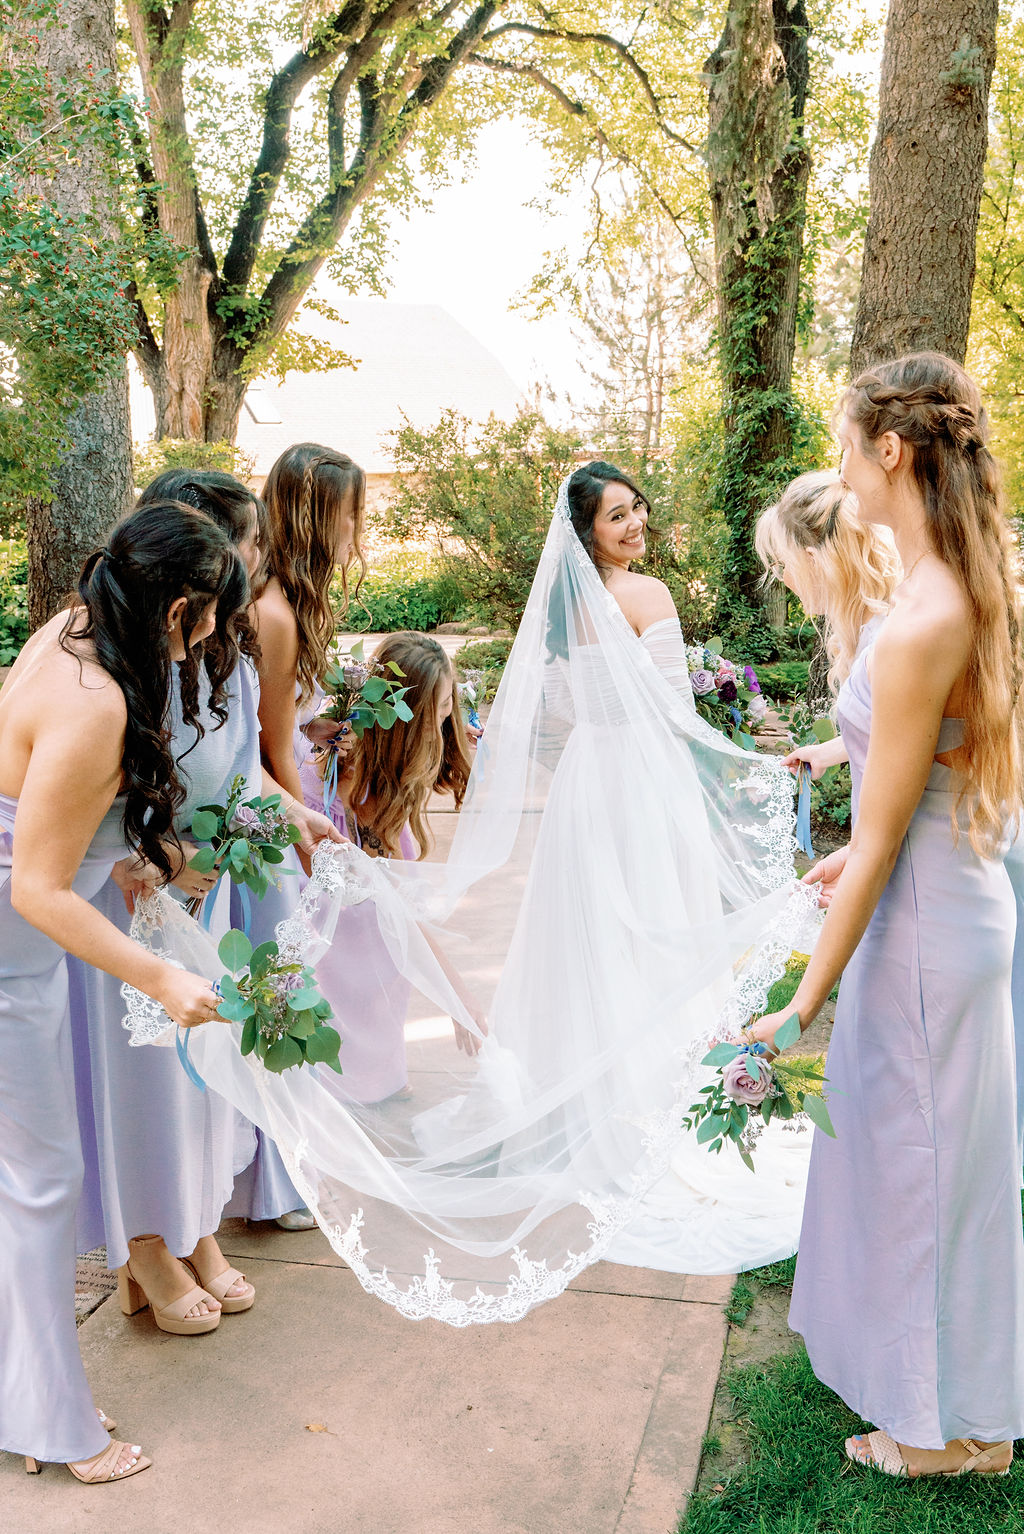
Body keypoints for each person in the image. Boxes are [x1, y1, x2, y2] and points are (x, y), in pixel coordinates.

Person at [124, 460, 818, 1323]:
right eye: (617, 516)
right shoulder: (650, 601)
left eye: (638, 509)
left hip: (585, 794)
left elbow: (555, 719)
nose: (633, 525)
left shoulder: (560, 616)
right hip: (634, 788)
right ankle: (631, 1096)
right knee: (631, 936)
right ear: (589, 532)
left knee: (593, 939)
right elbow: (671, 717)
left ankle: (601, 1099)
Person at [748, 353, 1024, 1478]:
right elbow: (896, 807)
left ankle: (941, 1433)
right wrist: (857, 855)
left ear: (890, 450)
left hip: (921, 934)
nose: (841, 468)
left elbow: (876, 841)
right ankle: (970, 1412)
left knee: (923, 1169)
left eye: (846, 442)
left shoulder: (923, 615)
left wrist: (799, 1002)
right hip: (938, 901)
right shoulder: (943, 583)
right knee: (936, 1164)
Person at [0, 502, 243, 1482]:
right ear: (180, 608)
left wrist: (148, 856)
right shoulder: (96, 699)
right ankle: (54, 1424)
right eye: (213, 618)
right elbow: (37, 885)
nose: (219, 636)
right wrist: (158, 974)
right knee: (42, 1182)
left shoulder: (66, 628)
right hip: (11, 958)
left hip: (24, 951)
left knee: (28, 1181)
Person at [69, 472, 340, 1329]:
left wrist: (288, 808)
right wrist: (165, 855)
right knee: (144, 1081)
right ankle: (144, 1245)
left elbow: (245, 763)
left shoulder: (227, 646)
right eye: (246, 546)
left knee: (202, 1078)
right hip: (129, 898)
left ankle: (194, 1231)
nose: (257, 562)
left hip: (204, 895)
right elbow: (98, 801)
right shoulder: (122, 665)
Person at [299, 632, 475, 1101]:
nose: (446, 722)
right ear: (408, 723)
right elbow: (402, 917)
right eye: (439, 711)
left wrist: (457, 999)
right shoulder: (332, 805)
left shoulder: (373, 794)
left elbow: (403, 916)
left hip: (375, 988)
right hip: (334, 986)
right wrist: (458, 999)